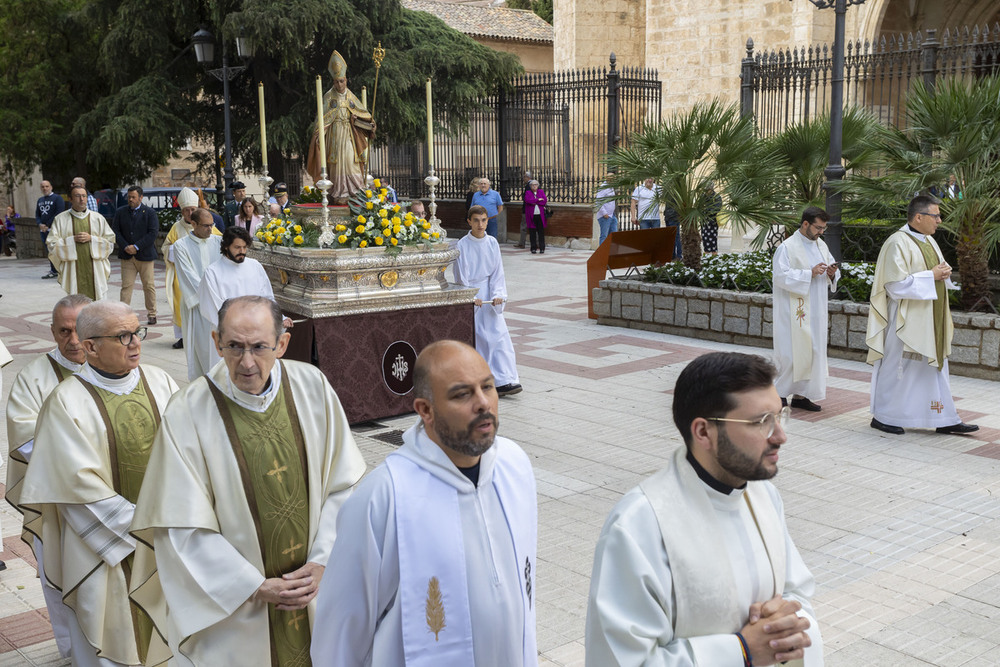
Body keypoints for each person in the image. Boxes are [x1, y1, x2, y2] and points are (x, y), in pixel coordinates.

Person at [130, 296, 367, 666]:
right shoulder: (188, 412)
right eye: (234, 347)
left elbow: (345, 484)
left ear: (283, 343)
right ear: (216, 342)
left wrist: (323, 560)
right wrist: (251, 585)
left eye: (259, 347)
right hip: (236, 610)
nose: (247, 362)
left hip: (315, 590)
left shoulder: (312, 387)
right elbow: (180, 525)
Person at [585, 351, 823, 666]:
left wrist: (783, 620)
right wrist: (741, 653)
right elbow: (621, 658)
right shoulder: (639, 525)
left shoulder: (764, 495)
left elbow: (796, 591)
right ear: (703, 432)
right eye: (760, 422)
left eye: (780, 415)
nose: (780, 436)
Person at [311, 339, 537, 667]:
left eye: (487, 387)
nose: (483, 403)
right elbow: (341, 631)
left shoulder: (515, 465)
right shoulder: (386, 495)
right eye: (462, 394)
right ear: (425, 410)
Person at [20, 300, 179, 667]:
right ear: (90, 347)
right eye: (123, 336)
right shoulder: (65, 402)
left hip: (168, 535)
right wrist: (146, 528)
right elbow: (75, 487)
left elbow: (189, 453)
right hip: (106, 546)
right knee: (114, 634)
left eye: (138, 331)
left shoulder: (161, 381)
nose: (136, 342)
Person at [5, 294, 92, 659]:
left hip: (118, 499)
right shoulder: (34, 378)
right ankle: (73, 651)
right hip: (56, 502)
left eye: (80, 330)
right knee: (59, 578)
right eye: (63, 332)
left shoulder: (122, 367)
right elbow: (24, 439)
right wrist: (85, 467)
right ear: (52, 332)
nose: (72, 341)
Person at [866, 194, 978, 436]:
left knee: (934, 367)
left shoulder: (929, 241)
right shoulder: (897, 242)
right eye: (935, 215)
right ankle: (883, 415)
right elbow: (894, 285)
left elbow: (935, 272)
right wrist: (931, 275)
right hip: (904, 319)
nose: (939, 220)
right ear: (919, 217)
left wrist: (943, 273)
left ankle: (943, 416)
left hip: (930, 317)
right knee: (899, 365)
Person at [772, 206, 839, 412]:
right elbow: (780, 276)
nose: (821, 232)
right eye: (818, 228)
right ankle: (779, 394)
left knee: (813, 351)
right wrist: (808, 273)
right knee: (792, 353)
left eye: (823, 229)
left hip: (816, 308)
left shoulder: (821, 245)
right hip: (793, 310)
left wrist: (831, 273)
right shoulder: (787, 247)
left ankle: (801, 396)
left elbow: (831, 275)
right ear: (805, 224)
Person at [454, 205, 522, 396]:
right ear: (469, 221)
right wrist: (471, 296)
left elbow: (497, 273)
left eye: (484, 220)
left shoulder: (492, 243)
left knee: (500, 338)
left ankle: (507, 379)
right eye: (476, 220)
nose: (480, 224)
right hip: (475, 297)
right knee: (482, 340)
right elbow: (461, 277)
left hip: (491, 297)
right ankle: (484, 382)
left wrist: (498, 295)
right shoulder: (462, 245)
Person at [306, 50, 376, 200]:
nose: (339, 84)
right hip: (334, 135)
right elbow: (322, 118)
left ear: (346, 80)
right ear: (333, 82)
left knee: (351, 159)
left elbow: (364, 114)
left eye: (342, 81)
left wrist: (366, 122)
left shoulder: (351, 96)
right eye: (336, 81)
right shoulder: (328, 96)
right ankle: (339, 192)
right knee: (336, 163)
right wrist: (319, 134)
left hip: (349, 134)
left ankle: (356, 190)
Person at [198, 226, 293, 332]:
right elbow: (213, 308)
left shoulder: (255, 266)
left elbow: (267, 298)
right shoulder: (212, 273)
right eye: (237, 247)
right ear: (226, 246)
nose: (242, 251)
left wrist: (280, 319)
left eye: (244, 247)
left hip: (257, 330)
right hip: (228, 333)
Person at [163, 187, 221, 349]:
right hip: (182, 275)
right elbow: (165, 247)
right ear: (182, 211)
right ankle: (183, 336)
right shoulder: (176, 227)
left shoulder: (209, 227)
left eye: (192, 209)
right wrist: (173, 249)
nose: (189, 213)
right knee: (181, 302)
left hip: (205, 272)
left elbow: (219, 245)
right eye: (186, 210)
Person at [173, 209, 223, 380]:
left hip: (222, 303)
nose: (210, 229)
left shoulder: (219, 242)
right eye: (206, 226)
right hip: (198, 305)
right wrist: (212, 296)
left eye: (212, 225)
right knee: (201, 348)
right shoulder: (181, 246)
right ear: (193, 224)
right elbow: (189, 276)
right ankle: (204, 384)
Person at [46, 185, 116, 300]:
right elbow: (51, 245)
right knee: (76, 304)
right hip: (74, 270)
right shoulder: (60, 219)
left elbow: (110, 243)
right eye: (77, 196)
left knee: (98, 305)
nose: (82, 199)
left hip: (95, 270)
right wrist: (71, 240)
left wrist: (92, 239)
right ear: (70, 198)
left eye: (84, 196)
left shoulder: (98, 218)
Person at [111, 185, 160, 326]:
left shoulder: (150, 213)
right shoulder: (120, 212)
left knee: (148, 286)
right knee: (126, 286)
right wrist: (125, 246)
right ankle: (123, 314)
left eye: (133, 197)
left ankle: (152, 314)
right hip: (127, 256)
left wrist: (137, 246)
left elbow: (153, 233)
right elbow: (115, 231)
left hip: (145, 256)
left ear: (141, 197)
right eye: (129, 197)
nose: (130, 199)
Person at [35, 180, 64, 279]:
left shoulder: (57, 198)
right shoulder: (40, 200)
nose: (45, 188)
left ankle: (62, 270)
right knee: (49, 251)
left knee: (57, 250)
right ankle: (53, 270)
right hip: (43, 230)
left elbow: (59, 213)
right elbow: (37, 214)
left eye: (47, 186)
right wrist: (39, 224)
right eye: (42, 187)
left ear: (51, 187)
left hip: (54, 229)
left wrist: (47, 224)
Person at [524, 179, 547, 254]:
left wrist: (535, 201)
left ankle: (542, 248)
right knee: (532, 232)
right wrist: (538, 200)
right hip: (531, 215)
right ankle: (533, 248)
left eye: (535, 185)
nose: (534, 186)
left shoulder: (541, 191)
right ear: (530, 186)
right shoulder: (528, 192)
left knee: (541, 232)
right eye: (532, 185)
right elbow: (528, 200)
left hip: (540, 215)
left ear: (538, 185)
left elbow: (544, 201)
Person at [700, 181, 723, 255]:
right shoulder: (702, 196)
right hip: (704, 222)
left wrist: (707, 211)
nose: (707, 191)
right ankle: (706, 256)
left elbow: (717, 208)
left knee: (713, 240)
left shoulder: (716, 197)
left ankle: (714, 256)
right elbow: (699, 207)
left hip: (712, 221)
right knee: (705, 239)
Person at [595, 179, 617, 245]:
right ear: (608, 179)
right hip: (605, 216)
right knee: (604, 236)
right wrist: (604, 213)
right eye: (612, 178)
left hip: (612, 215)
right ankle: (602, 254)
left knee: (613, 236)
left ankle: (611, 253)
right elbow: (598, 201)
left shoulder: (611, 187)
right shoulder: (603, 187)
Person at [516, 170, 532, 249]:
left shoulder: (529, 186)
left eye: (524, 177)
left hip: (527, 210)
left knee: (523, 227)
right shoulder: (534, 184)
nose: (523, 179)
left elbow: (527, 198)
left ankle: (522, 243)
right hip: (533, 210)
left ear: (527, 177)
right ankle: (537, 243)